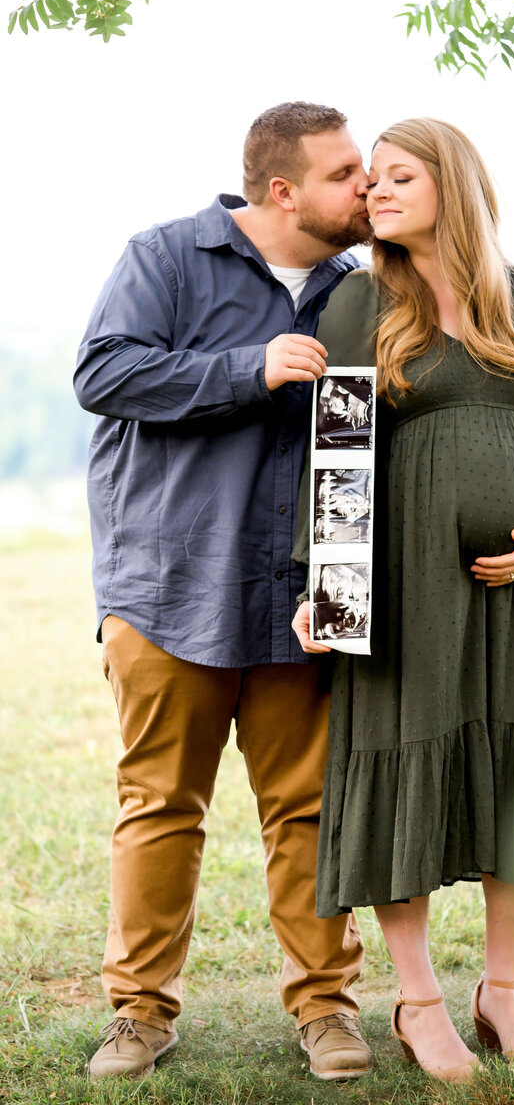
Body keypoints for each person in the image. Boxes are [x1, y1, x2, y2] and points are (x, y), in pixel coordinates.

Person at [293, 118, 514, 1083]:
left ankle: (501, 994)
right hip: (404, 586)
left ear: (453, 185)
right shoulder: (358, 301)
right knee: (402, 767)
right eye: (371, 181)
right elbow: (341, 452)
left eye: (397, 178)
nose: (374, 194)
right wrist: (331, 592)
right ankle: (419, 1002)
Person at [73, 102, 376, 1082]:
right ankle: (137, 1015)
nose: (364, 186)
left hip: (308, 594)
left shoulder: (362, 292)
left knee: (312, 811)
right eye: (344, 173)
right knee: (159, 805)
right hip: (167, 584)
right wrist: (247, 369)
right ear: (282, 190)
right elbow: (103, 371)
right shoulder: (164, 256)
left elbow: (365, 448)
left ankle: (327, 1010)